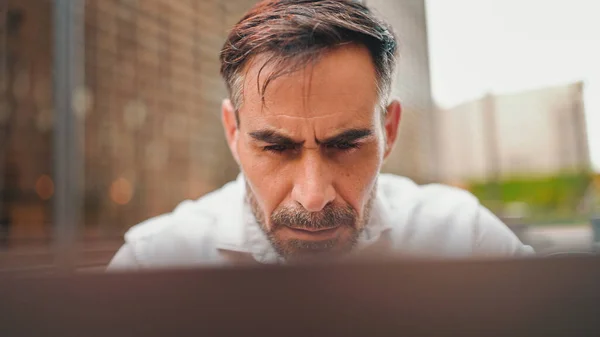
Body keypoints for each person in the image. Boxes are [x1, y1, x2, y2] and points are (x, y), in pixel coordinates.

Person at [108, 0, 533, 270]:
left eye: (345, 144)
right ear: (232, 132)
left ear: (389, 129)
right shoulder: (153, 261)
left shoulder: (464, 239)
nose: (313, 196)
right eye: (276, 147)